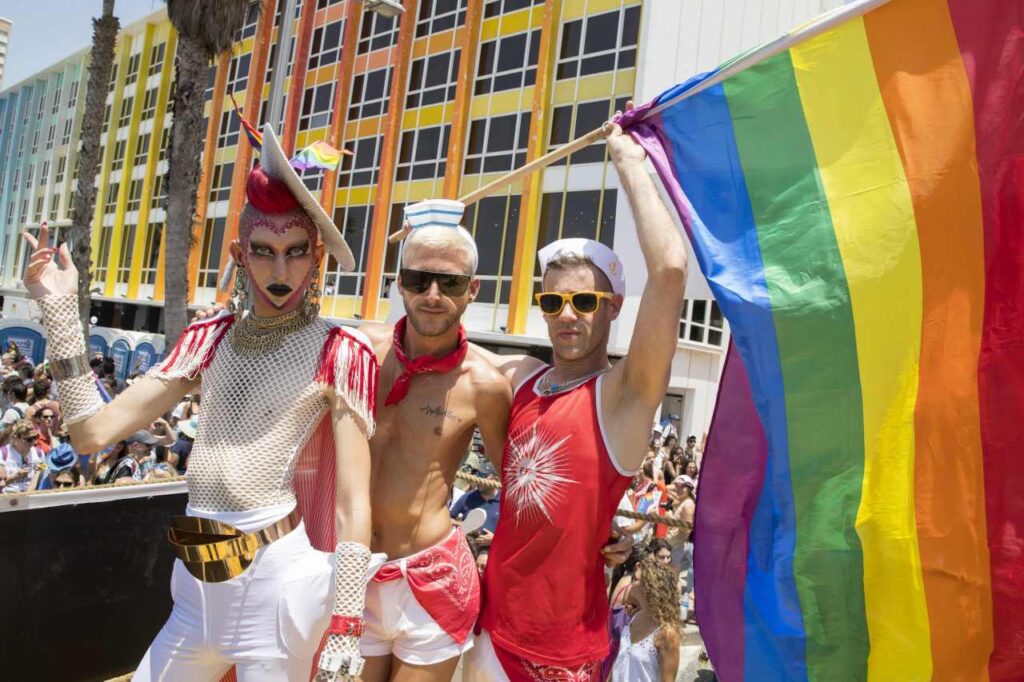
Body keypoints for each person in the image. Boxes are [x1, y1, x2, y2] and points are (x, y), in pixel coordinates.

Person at [22, 122, 380, 681]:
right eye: (263, 252)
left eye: (295, 252)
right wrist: (62, 313)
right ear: (239, 253)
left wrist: (347, 620)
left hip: (274, 582)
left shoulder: (340, 351)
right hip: (195, 578)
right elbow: (92, 434)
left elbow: (353, 503)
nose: (280, 271)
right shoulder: (208, 338)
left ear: (317, 259)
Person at [465, 107, 687, 681]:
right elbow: (439, 342)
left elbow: (668, 270)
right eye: (553, 301)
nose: (568, 315)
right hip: (488, 632)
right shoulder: (522, 378)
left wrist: (630, 162)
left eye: (584, 302)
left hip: (565, 656)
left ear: (611, 307)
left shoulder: (622, 397)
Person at [611, 556, 682, 681]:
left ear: (649, 588)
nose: (629, 583)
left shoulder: (667, 634)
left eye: (635, 579)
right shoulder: (634, 615)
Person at [1, 419, 45, 493]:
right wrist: (16, 476)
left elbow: (43, 473)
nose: (34, 441)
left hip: (30, 497)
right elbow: (1, 484)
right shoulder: (3, 453)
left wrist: (39, 471)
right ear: (16, 437)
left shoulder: (39, 453)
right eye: (29, 439)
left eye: (35, 437)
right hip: (8, 497)